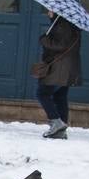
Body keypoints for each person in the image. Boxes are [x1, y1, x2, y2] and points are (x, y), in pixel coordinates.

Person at [36, 9, 82, 139]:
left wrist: (44, 40)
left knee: (42, 93)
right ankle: (61, 130)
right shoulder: (69, 25)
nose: (48, 13)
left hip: (59, 69)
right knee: (60, 97)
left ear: (57, 12)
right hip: (67, 69)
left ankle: (56, 122)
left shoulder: (62, 26)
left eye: (50, 11)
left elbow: (60, 46)